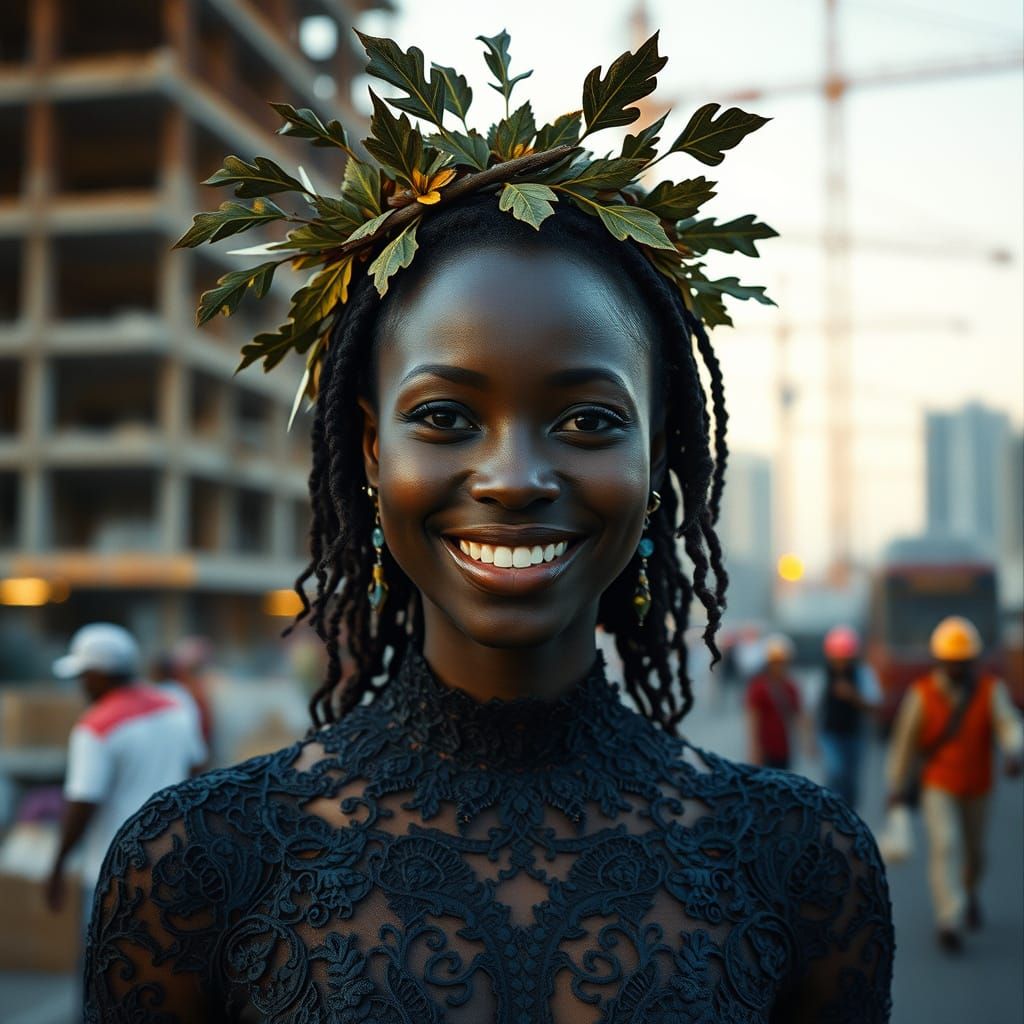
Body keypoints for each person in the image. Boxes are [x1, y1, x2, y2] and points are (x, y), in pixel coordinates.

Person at [84, 30, 893, 1021]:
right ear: (374, 455)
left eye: (587, 420)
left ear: (657, 458)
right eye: (446, 417)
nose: (513, 477)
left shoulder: (802, 864)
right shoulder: (194, 868)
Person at [44, 624, 208, 982]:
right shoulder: (176, 705)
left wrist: (57, 864)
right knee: (168, 976)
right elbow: (198, 770)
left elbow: (82, 803)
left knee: (104, 978)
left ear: (100, 676)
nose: (81, 686)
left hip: (113, 870)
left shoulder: (95, 726)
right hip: (175, 861)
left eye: (84, 676)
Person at [886, 615, 1023, 954]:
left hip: (978, 785)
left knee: (975, 854)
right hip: (938, 784)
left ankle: (969, 891)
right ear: (940, 661)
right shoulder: (922, 694)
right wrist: (896, 785)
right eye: (951, 662)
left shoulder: (991, 690)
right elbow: (904, 742)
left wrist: (1013, 751)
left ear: (972, 661)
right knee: (946, 845)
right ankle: (950, 918)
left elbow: (1008, 724)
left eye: (963, 662)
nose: (957, 668)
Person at [818, 625, 882, 808]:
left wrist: (853, 696)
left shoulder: (862, 674)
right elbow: (813, 706)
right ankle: (833, 810)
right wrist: (809, 738)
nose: (841, 663)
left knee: (851, 779)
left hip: (855, 734)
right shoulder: (824, 675)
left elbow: (875, 704)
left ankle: (849, 814)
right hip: (830, 733)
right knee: (835, 771)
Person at [744, 633, 811, 769]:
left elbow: (800, 714)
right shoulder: (759, 687)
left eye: (782, 662)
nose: (779, 666)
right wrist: (754, 750)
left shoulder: (790, 686)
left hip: (784, 748)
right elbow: (753, 719)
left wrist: (808, 741)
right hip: (764, 750)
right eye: (776, 662)